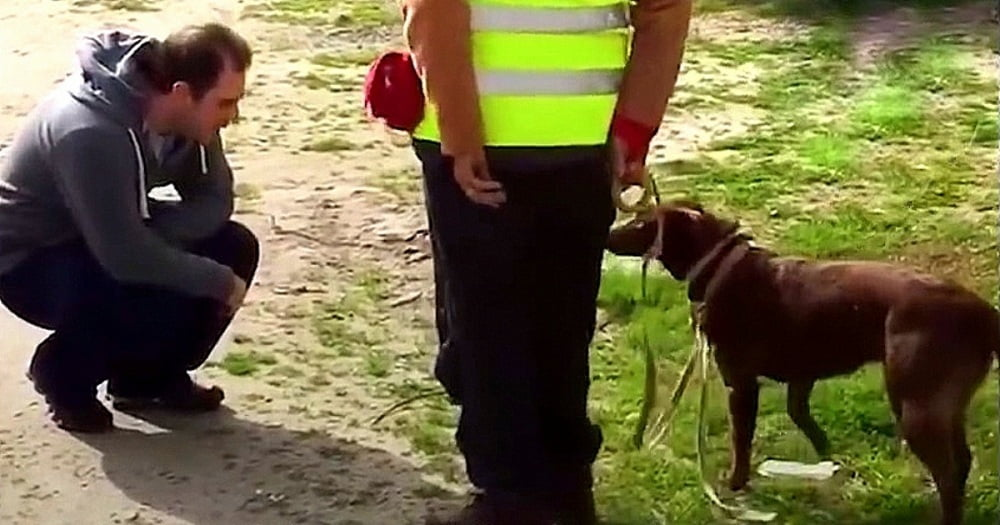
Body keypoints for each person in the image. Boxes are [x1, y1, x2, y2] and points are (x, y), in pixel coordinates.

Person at [397, 0, 694, 523]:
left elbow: (433, 9)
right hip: (581, 140)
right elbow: (666, 11)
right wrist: (633, 127)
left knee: (487, 332)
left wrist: (460, 131)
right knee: (561, 326)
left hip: (486, 147)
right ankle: (564, 489)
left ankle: (512, 499)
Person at [0, 23, 258, 433]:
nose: (233, 117)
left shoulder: (190, 120)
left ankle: (145, 379)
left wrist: (156, 239)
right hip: (28, 259)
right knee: (146, 280)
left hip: (102, 235)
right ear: (181, 92)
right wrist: (214, 280)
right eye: (225, 103)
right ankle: (61, 374)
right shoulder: (91, 132)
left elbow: (215, 199)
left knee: (233, 246)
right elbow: (125, 258)